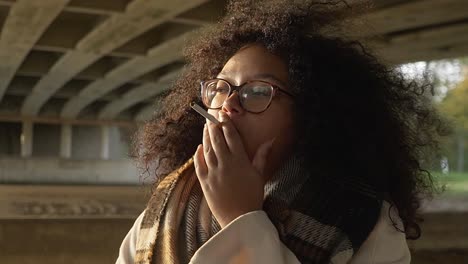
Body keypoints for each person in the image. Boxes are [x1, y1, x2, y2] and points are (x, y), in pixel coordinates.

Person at [116, 0, 450, 263]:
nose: (228, 105)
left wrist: (241, 218)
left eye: (259, 91)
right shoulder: (170, 198)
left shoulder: (367, 223)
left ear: (310, 116)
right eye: (220, 88)